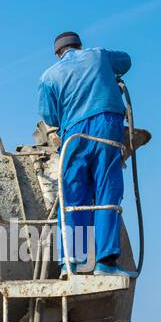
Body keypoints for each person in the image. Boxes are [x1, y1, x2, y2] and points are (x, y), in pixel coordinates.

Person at [37, 31, 131, 274]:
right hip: (105, 126)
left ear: (58, 54)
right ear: (79, 46)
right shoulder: (98, 55)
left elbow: (49, 116)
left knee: (71, 195)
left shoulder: (49, 76)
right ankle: (105, 262)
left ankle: (70, 262)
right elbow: (126, 60)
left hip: (74, 134)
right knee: (106, 189)